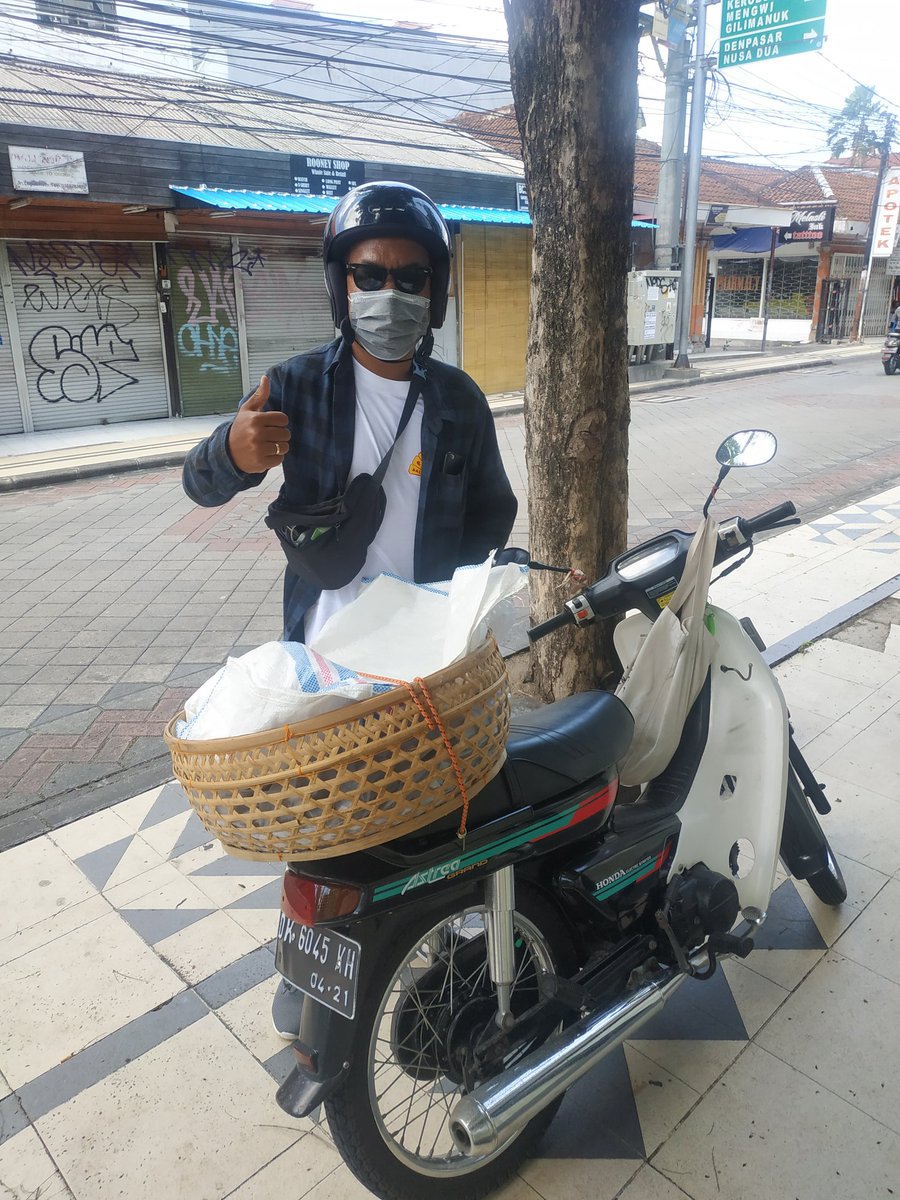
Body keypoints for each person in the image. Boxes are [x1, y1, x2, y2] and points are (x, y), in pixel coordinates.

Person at [182, 180, 517, 1038]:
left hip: (427, 661)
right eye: (370, 275)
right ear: (341, 283)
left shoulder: (458, 400)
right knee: (323, 827)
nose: (389, 295)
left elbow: (494, 511)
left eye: (411, 277)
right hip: (324, 659)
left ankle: (441, 949)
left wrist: (447, 603)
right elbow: (200, 485)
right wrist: (232, 451)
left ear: (436, 290)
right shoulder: (296, 387)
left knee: (432, 814)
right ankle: (308, 970)